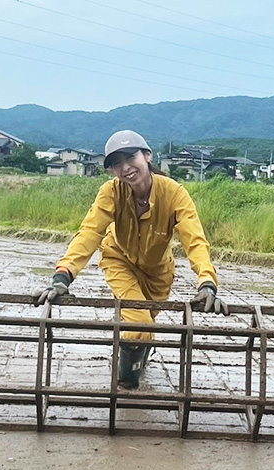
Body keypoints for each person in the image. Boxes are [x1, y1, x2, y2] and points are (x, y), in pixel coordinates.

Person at [36, 130, 228, 389]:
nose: (125, 168)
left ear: (147, 156)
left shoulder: (174, 193)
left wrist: (207, 282)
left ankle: (138, 357)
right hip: (119, 261)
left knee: (146, 325)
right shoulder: (111, 192)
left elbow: (194, 239)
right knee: (139, 323)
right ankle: (126, 385)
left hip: (158, 273)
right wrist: (63, 275)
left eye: (130, 158)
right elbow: (91, 232)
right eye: (117, 163)